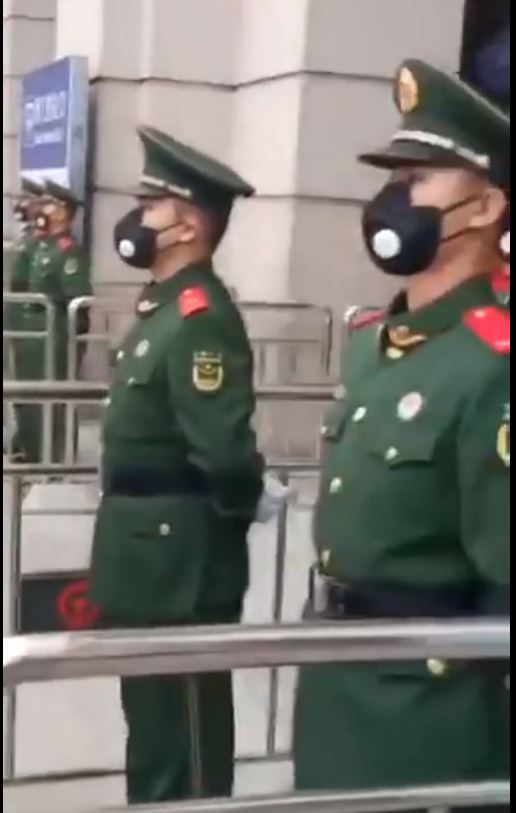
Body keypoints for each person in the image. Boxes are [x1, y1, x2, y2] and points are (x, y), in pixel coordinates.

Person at [294, 59, 510, 811]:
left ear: (485, 208)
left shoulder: (494, 363)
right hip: (336, 683)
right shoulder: (375, 343)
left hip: (431, 712)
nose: (393, 198)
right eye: (391, 175)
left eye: (418, 177)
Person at [89, 126, 265, 805]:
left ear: (188, 224)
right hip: (146, 555)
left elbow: (222, 450)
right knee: (152, 721)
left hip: (180, 563)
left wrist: (225, 523)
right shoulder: (163, 307)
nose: (137, 217)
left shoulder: (199, 317)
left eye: (151, 203)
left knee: (185, 733)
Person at [10, 180, 91, 463]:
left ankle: (52, 454)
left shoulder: (68, 250)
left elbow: (78, 298)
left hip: (53, 329)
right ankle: (32, 448)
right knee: (29, 394)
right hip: (32, 327)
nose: (40, 209)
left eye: (48, 204)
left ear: (62, 212)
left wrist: (75, 337)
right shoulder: (43, 245)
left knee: (52, 396)